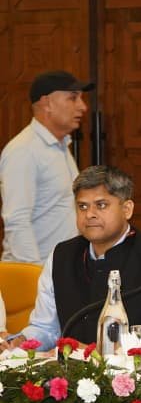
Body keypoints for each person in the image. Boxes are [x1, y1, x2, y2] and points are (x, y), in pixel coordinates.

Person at [0, 165, 141, 351]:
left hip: (135, 373)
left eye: (101, 205)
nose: (89, 214)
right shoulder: (61, 256)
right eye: (82, 206)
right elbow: (46, 329)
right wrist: (20, 342)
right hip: (67, 372)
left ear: (127, 209)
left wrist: (95, 355)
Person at [0, 70, 93, 264]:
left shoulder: (61, 147)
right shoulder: (24, 150)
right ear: (47, 103)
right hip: (36, 272)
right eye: (73, 98)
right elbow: (17, 221)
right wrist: (35, 275)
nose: (83, 107)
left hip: (59, 270)